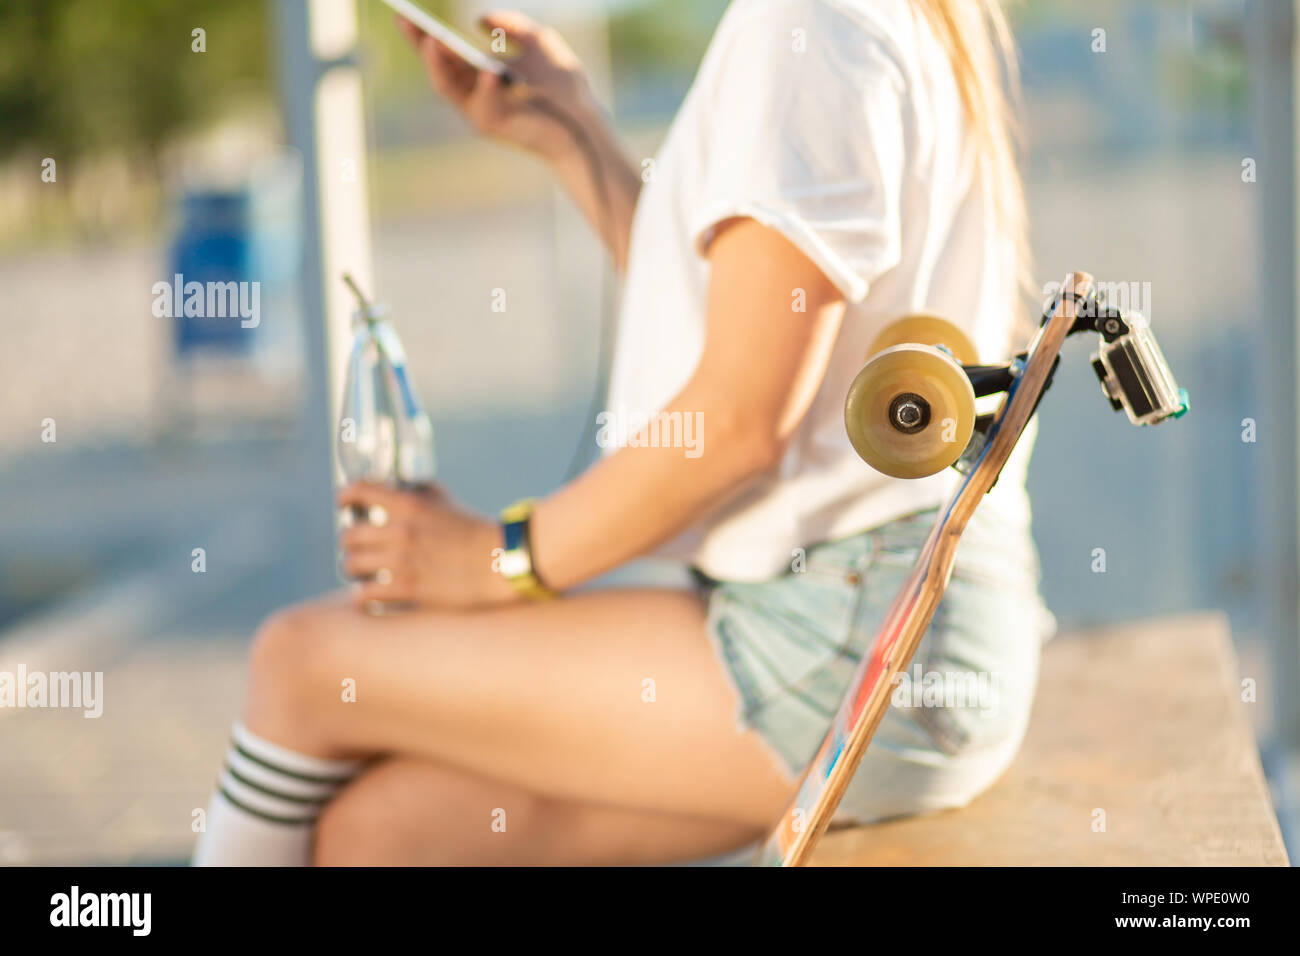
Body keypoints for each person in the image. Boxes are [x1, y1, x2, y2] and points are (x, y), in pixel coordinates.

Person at [193, 0, 1054, 866]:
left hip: (846, 646)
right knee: (384, 836)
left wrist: (500, 558)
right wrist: (572, 133)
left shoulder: (805, 25)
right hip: (917, 650)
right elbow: (736, 320)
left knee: (301, 661)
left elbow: (738, 421)